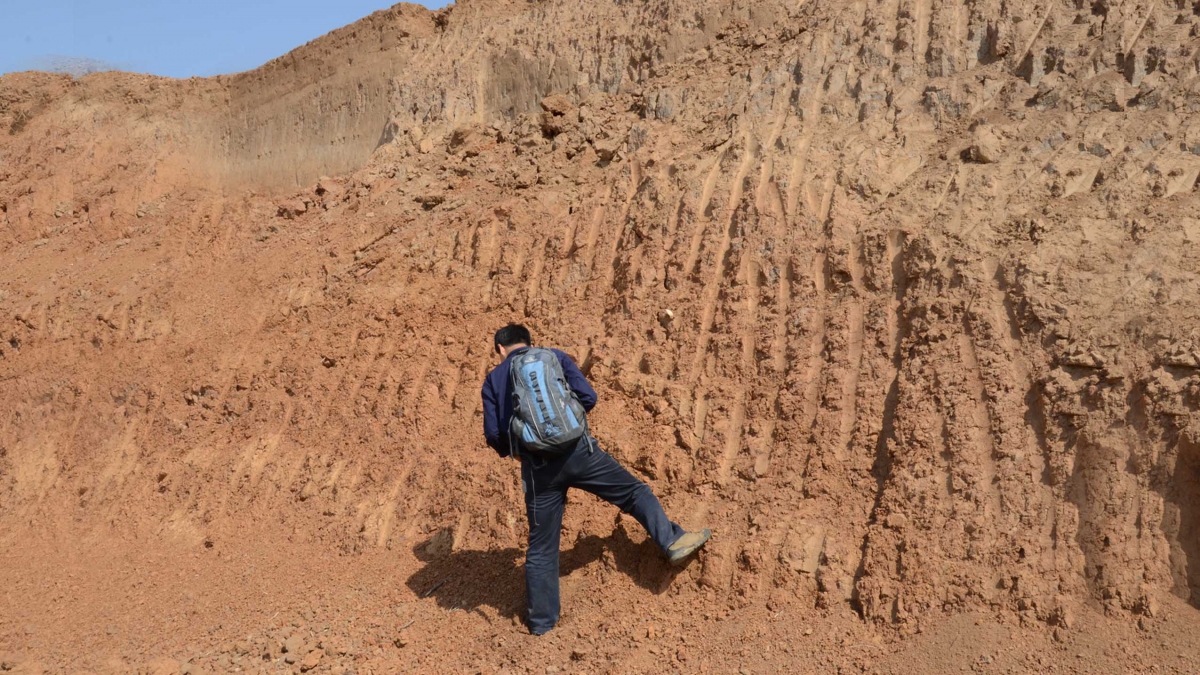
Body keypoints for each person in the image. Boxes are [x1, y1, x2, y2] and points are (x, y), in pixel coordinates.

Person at [481, 324, 711, 635]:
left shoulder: (494, 379)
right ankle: (671, 540)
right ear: (529, 343)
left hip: (539, 471)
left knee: (542, 548)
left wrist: (519, 449)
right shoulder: (554, 357)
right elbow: (588, 396)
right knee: (633, 492)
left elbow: (494, 435)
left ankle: (542, 625)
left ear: (499, 349)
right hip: (581, 453)